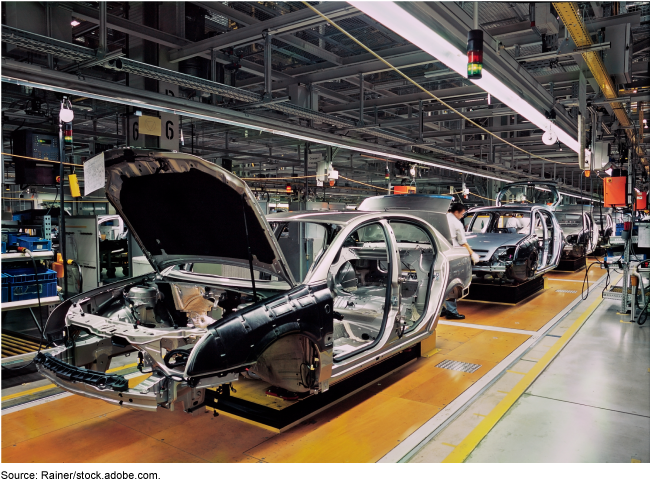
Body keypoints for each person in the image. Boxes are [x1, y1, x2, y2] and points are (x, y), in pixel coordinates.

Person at [441, 203, 479, 320]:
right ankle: (451, 312)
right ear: (456, 212)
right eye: (462, 214)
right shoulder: (456, 223)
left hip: (439, 253)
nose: (463, 216)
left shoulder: (442, 217)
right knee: (452, 282)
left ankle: (441, 309)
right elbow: (462, 242)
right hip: (451, 254)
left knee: (440, 282)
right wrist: (472, 254)